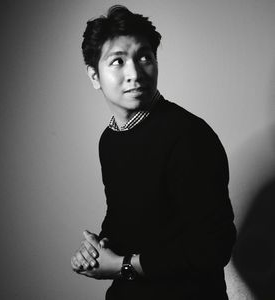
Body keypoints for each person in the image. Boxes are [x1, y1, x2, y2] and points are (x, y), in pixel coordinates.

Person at [71, 5, 236, 300]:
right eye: (118, 61)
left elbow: (214, 246)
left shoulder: (189, 136)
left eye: (144, 57)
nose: (135, 73)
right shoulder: (109, 140)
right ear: (94, 76)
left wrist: (122, 266)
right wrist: (99, 248)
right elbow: (129, 217)